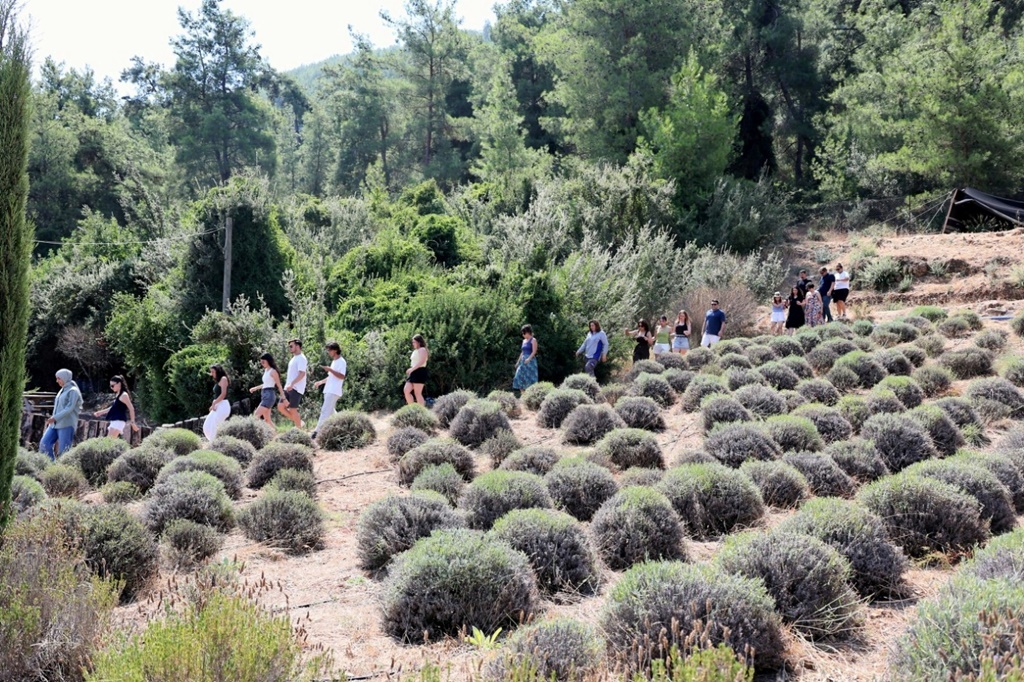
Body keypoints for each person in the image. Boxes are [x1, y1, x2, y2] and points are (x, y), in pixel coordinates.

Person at [40, 368, 83, 460]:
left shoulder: (73, 391)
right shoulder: (62, 390)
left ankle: (62, 468)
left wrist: (54, 418)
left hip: (66, 424)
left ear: (65, 378)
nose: (57, 381)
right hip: (54, 425)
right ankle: (51, 465)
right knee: (44, 444)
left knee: (63, 451)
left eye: (59, 378)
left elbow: (69, 408)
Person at [313, 342, 347, 438]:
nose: (328, 352)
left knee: (325, 411)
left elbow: (342, 376)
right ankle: (345, 426)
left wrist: (330, 370)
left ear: (335, 350)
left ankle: (316, 432)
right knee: (331, 412)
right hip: (329, 390)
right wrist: (320, 382)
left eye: (329, 350)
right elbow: (330, 377)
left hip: (333, 390)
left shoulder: (341, 361)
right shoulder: (334, 362)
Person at [94, 375, 139, 440]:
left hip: (119, 421)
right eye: (110, 386)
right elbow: (113, 407)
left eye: (112, 386)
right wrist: (101, 412)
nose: (111, 388)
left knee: (108, 441)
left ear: (119, 384)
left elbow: (131, 408)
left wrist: (132, 422)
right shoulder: (118, 394)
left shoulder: (124, 395)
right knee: (109, 441)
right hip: (115, 420)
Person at [278, 339, 308, 429]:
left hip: (296, 388)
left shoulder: (301, 358)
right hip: (288, 387)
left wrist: (292, 384)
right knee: (280, 406)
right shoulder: (293, 359)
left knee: (293, 410)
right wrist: (288, 385)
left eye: (291, 346)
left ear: (297, 346)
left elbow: (302, 374)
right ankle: (299, 422)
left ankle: (299, 430)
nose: (290, 348)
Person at [249, 353, 285, 425]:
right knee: (267, 420)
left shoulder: (273, 371)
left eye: (263, 361)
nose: (262, 363)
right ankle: (275, 432)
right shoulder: (266, 371)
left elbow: (278, 385)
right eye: (261, 362)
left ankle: (253, 430)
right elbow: (266, 384)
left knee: (256, 415)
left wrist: (283, 397)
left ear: (268, 360)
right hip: (264, 394)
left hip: (269, 395)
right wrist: (255, 388)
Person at [203, 364, 231, 441]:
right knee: (207, 426)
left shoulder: (223, 379)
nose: (211, 374)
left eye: (213, 372)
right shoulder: (218, 381)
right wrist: (213, 405)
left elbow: (223, 394)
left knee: (214, 426)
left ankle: (213, 444)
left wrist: (214, 403)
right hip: (217, 405)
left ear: (218, 371)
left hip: (223, 406)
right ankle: (214, 442)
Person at [513, 325, 539, 394]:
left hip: (530, 362)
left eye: (524, 333)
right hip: (523, 361)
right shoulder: (523, 341)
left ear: (528, 332)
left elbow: (534, 351)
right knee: (518, 376)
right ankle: (523, 395)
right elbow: (522, 352)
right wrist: (518, 362)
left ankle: (529, 395)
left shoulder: (533, 340)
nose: (523, 335)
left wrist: (528, 359)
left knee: (530, 379)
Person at [405, 334, 429, 405]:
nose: (413, 344)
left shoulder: (422, 349)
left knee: (417, 393)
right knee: (406, 391)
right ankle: (412, 408)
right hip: (413, 372)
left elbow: (422, 361)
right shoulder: (415, 351)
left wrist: (412, 369)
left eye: (414, 342)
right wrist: (411, 369)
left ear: (419, 342)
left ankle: (421, 410)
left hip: (420, 371)